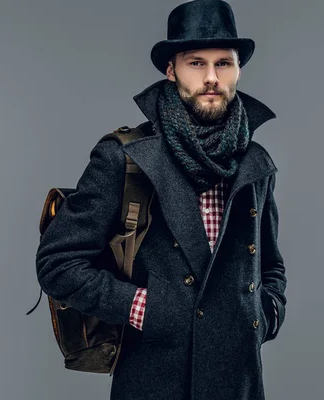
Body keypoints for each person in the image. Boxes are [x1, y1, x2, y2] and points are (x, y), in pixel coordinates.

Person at [35, 0, 287, 399]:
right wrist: (145, 308)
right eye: (195, 63)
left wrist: (266, 313)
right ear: (171, 70)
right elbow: (57, 263)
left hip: (239, 382)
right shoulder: (127, 156)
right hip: (155, 379)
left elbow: (270, 265)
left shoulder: (256, 164)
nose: (211, 77)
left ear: (238, 70)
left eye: (223, 63)